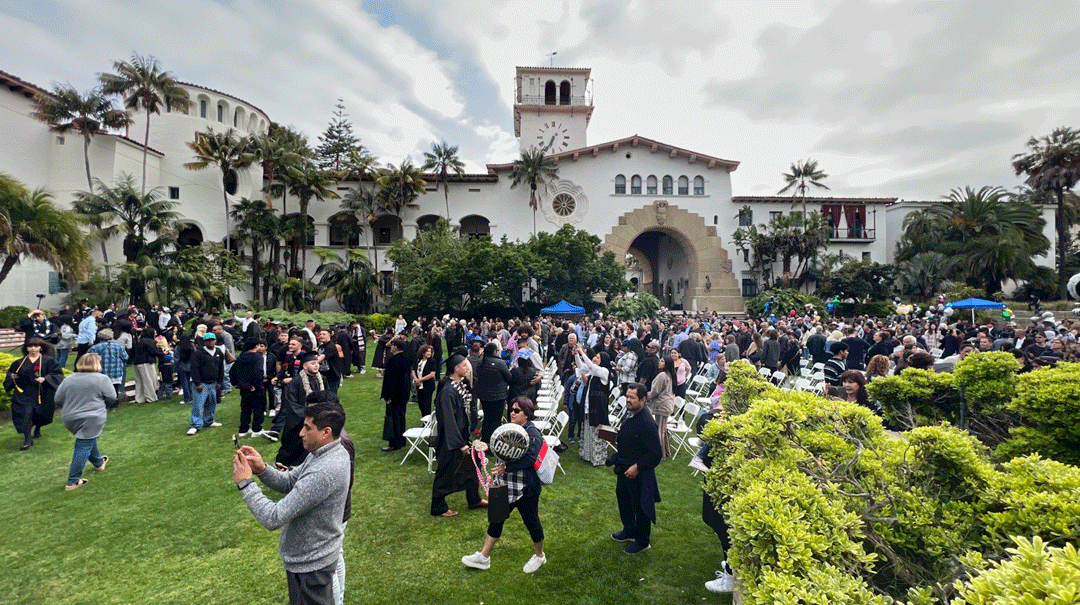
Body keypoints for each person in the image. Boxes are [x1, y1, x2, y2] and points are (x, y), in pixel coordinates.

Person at [234, 401, 351, 605]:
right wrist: (262, 469)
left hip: (312, 565)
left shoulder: (324, 471)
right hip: (309, 559)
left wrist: (246, 483)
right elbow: (289, 481)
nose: (301, 433)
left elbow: (273, 517)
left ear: (326, 432)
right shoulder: (325, 451)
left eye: (307, 428)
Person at [461, 396, 547, 573]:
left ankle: (539, 556)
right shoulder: (511, 429)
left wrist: (506, 468)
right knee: (496, 519)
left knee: (532, 522)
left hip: (525, 488)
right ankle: (484, 557)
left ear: (527, 414)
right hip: (505, 486)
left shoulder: (532, 433)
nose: (512, 413)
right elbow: (502, 449)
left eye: (517, 410)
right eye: (511, 409)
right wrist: (488, 447)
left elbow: (530, 459)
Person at [609, 382, 663, 554]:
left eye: (632, 397)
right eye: (627, 396)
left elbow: (655, 453)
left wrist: (638, 467)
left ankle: (642, 540)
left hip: (638, 473)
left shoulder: (647, 422)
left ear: (643, 399)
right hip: (624, 468)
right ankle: (629, 530)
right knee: (623, 500)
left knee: (640, 506)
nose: (628, 400)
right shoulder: (631, 414)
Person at [430, 354, 485, 517]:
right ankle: (438, 507)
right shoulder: (448, 391)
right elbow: (448, 420)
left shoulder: (459, 385)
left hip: (461, 436)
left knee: (473, 466)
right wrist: (459, 443)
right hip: (450, 441)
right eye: (464, 366)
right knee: (445, 474)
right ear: (456, 368)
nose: (468, 368)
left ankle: (474, 499)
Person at [54, 353, 115, 490]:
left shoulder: (69, 379)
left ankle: (99, 462)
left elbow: (57, 399)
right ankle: (72, 481)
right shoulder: (102, 379)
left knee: (86, 439)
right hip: (92, 417)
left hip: (70, 417)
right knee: (83, 445)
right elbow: (111, 397)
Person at [4, 338, 64, 450]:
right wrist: (12, 378)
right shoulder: (19, 363)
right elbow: (10, 376)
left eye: (36, 346)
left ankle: (37, 429)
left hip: (41, 392)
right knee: (25, 414)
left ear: (40, 347)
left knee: (39, 414)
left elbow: (58, 375)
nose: (33, 348)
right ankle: (27, 439)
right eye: (30, 346)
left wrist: (46, 378)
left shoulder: (49, 361)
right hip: (23, 393)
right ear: (26, 348)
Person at [278, 353, 326, 467]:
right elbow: (291, 402)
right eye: (313, 363)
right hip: (299, 421)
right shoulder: (296, 382)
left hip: (317, 419)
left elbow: (327, 396)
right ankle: (284, 465)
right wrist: (308, 413)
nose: (316, 366)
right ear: (304, 366)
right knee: (294, 444)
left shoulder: (322, 379)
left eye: (317, 363)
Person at [576, 344, 613, 467]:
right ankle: (587, 455)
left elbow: (591, 366)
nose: (595, 359)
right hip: (589, 405)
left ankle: (598, 458)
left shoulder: (604, 371)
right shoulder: (594, 370)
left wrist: (582, 352)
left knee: (597, 433)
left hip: (598, 407)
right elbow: (581, 366)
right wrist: (576, 354)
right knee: (587, 430)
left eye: (598, 357)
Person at [475, 342, 513, 445]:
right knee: (496, 419)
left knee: (487, 418)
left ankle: (485, 440)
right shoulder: (500, 363)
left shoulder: (480, 362)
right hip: (498, 396)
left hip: (484, 396)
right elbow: (509, 378)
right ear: (495, 351)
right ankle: (494, 442)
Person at [188, 333, 225, 435]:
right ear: (204, 342)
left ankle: (209, 421)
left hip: (213, 383)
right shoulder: (199, 353)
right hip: (202, 384)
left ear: (215, 341)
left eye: (212, 340)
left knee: (211, 403)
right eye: (208, 340)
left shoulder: (218, 352)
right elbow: (194, 369)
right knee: (198, 404)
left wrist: (219, 381)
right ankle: (195, 425)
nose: (210, 342)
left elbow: (221, 367)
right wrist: (197, 383)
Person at [232, 338, 268, 438]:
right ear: (256, 346)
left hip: (244, 387)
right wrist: (258, 383)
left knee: (245, 408)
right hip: (256, 386)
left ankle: (243, 429)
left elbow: (233, 371)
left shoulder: (241, 357)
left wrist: (236, 383)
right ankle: (256, 429)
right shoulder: (257, 357)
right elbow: (258, 371)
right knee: (258, 408)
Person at [380, 339, 411, 452]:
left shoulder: (393, 361)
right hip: (403, 394)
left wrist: (388, 396)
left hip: (395, 395)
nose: (391, 347)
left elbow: (390, 381)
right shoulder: (406, 359)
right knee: (401, 417)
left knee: (394, 419)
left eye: (392, 345)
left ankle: (394, 442)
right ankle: (402, 440)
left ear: (396, 347)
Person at [88, 329, 128, 408]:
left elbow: (89, 358)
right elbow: (125, 357)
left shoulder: (95, 348)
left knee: (103, 390)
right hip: (116, 371)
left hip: (102, 372)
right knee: (115, 389)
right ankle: (114, 405)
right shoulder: (118, 346)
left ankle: (104, 404)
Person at [647, 356, 677, 459]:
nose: (659, 362)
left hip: (662, 405)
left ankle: (658, 454)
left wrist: (646, 396)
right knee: (663, 429)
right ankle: (665, 452)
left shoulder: (662, 375)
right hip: (667, 405)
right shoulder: (670, 375)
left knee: (659, 430)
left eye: (662, 361)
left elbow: (655, 391)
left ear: (667, 363)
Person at [131, 326, 164, 403]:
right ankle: (151, 397)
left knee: (139, 381)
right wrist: (162, 353)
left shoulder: (140, 341)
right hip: (146, 362)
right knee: (148, 380)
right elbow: (153, 351)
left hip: (137, 362)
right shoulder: (149, 341)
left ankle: (139, 398)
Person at [412, 344, 437, 418]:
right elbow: (413, 370)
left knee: (427, 405)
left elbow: (432, 374)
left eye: (430, 351)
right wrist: (416, 379)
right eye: (427, 351)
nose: (429, 353)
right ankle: (424, 418)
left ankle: (427, 421)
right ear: (423, 353)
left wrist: (420, 379)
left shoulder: (432, 361)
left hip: (428, 386)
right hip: (419, 385)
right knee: (420, 404)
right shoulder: (418, 361)